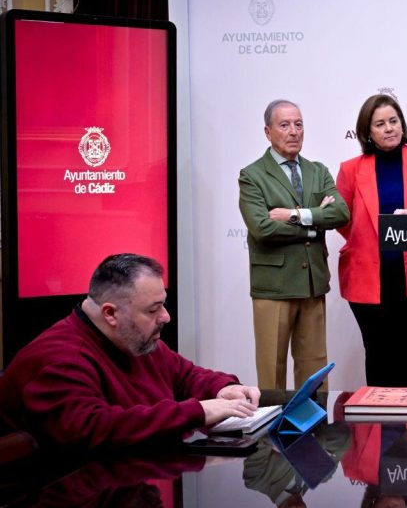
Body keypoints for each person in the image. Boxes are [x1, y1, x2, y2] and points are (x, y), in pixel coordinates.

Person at [0, 253, 261, 449]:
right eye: (153, 309)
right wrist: (198, 412)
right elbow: (94, 430)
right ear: (110, 313)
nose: (166, 317)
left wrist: (221, 389)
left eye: (163, 305)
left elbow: (185, 375)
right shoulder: (60, 360)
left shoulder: (135, 340)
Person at [336, 94, 407, 387]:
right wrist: (368, 241)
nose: (389, 128)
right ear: (367, 132)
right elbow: (342, 220)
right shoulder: (350, 169)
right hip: (368, 277)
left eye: (393, 121)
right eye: (380, 124)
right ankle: (378, 417)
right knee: (377, 354)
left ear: (402, 124)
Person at [239, 99, 350, 391]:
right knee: (271, 374)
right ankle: (271, 422)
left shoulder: (318, 171)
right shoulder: (252, 175)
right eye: (285, 125)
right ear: (268, 132)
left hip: (312, 284)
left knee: (315, 372)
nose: (293, 131)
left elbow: (340, 213)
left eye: (298, 124)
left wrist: (294, 215)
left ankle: (316, 420)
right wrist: (314, 224)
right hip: (274, 286)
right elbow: (262, 228)